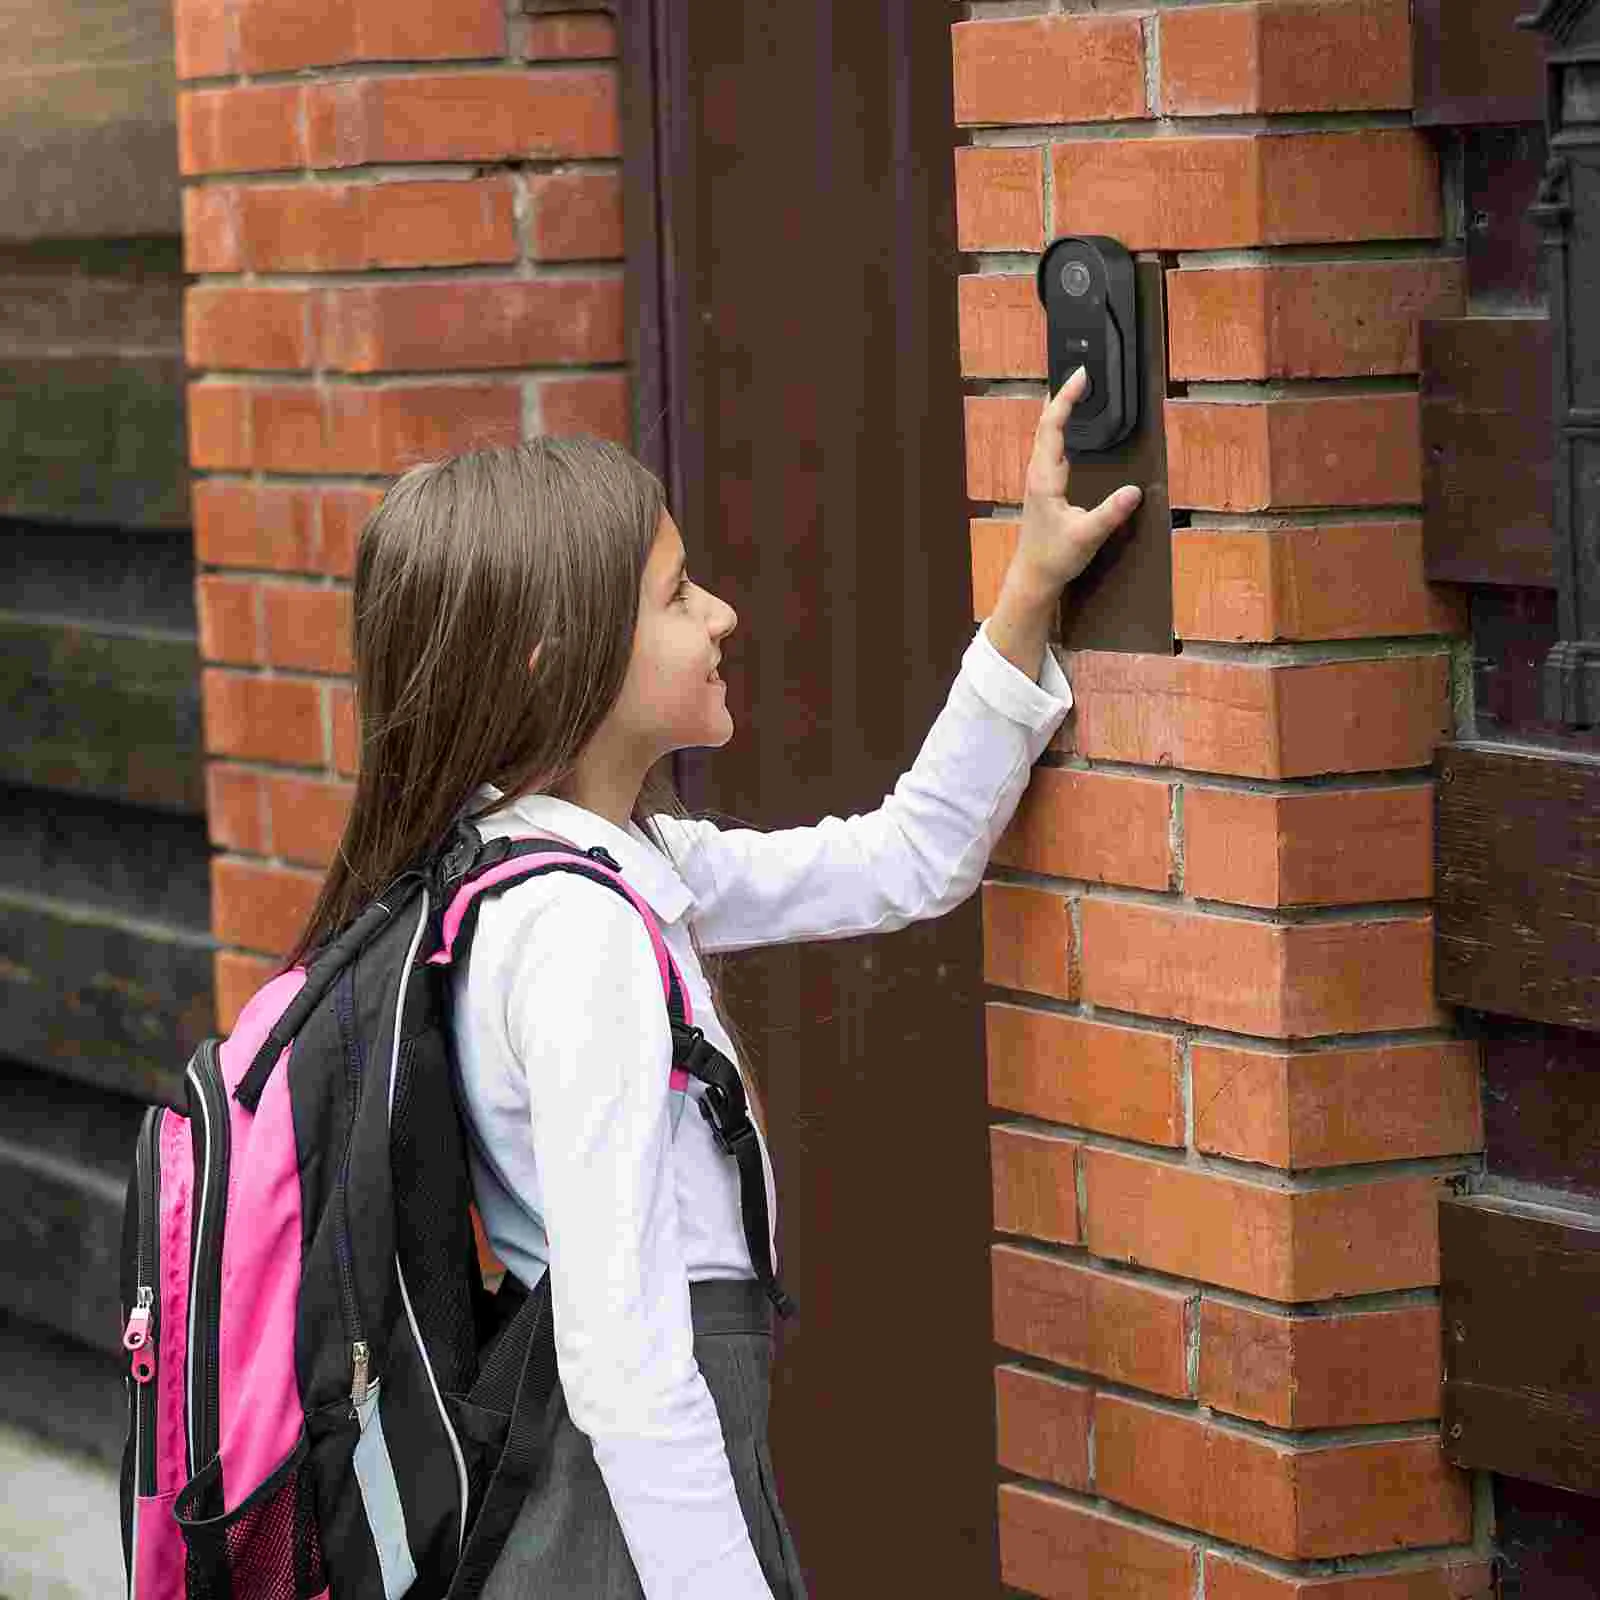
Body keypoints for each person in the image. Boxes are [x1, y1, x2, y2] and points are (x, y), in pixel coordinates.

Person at [289, 367, 1140, 1599]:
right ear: (553, 662)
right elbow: (627, 1359)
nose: (723, 614)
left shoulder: (589, 866)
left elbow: (903, 859)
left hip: (634, 1490)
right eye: (677, 595)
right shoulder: (573, 937)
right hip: (626, 1516)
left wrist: (1027, 592)